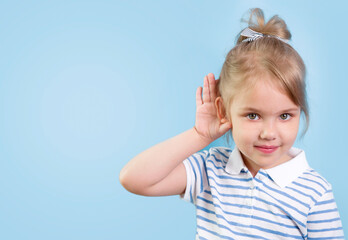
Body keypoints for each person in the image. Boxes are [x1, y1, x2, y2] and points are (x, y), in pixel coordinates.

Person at [119, 8, 344, 239]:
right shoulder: (209, 169)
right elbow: (134, 179)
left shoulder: (315, 192)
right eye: (253, 115)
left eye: (285, 116)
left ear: (300, 111)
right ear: (224, 111)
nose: (269, 133)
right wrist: (200, 135)